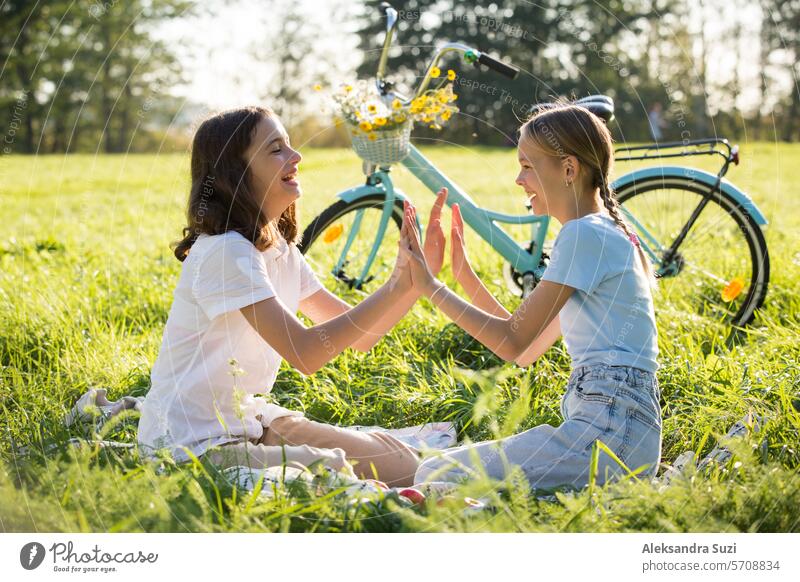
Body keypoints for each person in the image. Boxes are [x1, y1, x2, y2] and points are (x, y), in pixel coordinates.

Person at [137, 105, 448, 487]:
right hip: (191, 447)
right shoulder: (224, 253)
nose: (296, 156)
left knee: (397, 460)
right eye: (276, 149)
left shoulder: (279, 248)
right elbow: (305, 352)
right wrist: (396, 288)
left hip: (248, 421)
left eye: (289, 145)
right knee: (329, 470)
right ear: (236, 173)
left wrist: (412, 281)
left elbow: (365, 337)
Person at [398, 102, 662, 491]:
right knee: (444, 475)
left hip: (610, 435)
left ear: (568, 170)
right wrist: (463, 277)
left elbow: (511, 341)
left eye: (526, 166)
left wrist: (429, 287)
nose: (519, 180)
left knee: (436, 474)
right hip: (621, 436)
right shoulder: (598, 232)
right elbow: (527, 348)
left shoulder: (584, 234)